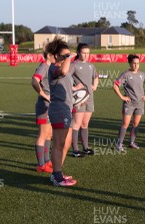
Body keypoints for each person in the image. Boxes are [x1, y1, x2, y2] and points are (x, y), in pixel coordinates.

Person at [46, 37, 83, 187]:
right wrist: (69, 57)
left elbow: (68, 88)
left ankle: (58, 172)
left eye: (68, 55)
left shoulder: (65, 72)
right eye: (64, 55)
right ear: (56, 56)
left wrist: (79, 94)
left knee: (64, 144)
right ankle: (56, 176)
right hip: (58, 109)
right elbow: (63, 70)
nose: (68, 57)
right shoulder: (54, 68)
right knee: (58, 144)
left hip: (66, 108)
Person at [113, 54, 145, 151]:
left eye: (138, 63)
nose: (136, 65)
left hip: (140, 103)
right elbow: (115, 85)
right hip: (129, 104)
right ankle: (119, 144)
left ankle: (132, 142)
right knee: (125, 124)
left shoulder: (142, 74)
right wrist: (122, 97)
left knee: (135, 123)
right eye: (134, 63)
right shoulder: (126, 74)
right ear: (130, 63)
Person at [70, 43, 99, 157]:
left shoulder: (91, 65)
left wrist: (95, 85)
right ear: (78, 52)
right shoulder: (73, 65)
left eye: (88, 53)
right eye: (83, 53)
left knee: (85, 123)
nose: (86, 55)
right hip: (79, 99)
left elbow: (96, 76)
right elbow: (65, 78)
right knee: (76, 123)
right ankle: (75, 150)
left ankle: (85, 147)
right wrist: (74, 88)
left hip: (89, 97)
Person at [31, 51, 54, 173]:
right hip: (43, 105)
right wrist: (45, 95)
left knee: (49, 134)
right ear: (49, 55)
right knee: (42, 135)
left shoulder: (50, 67)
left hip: (50, 106)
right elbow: (34, 81)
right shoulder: (44, 66)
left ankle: (47, 161)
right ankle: (40, 165)